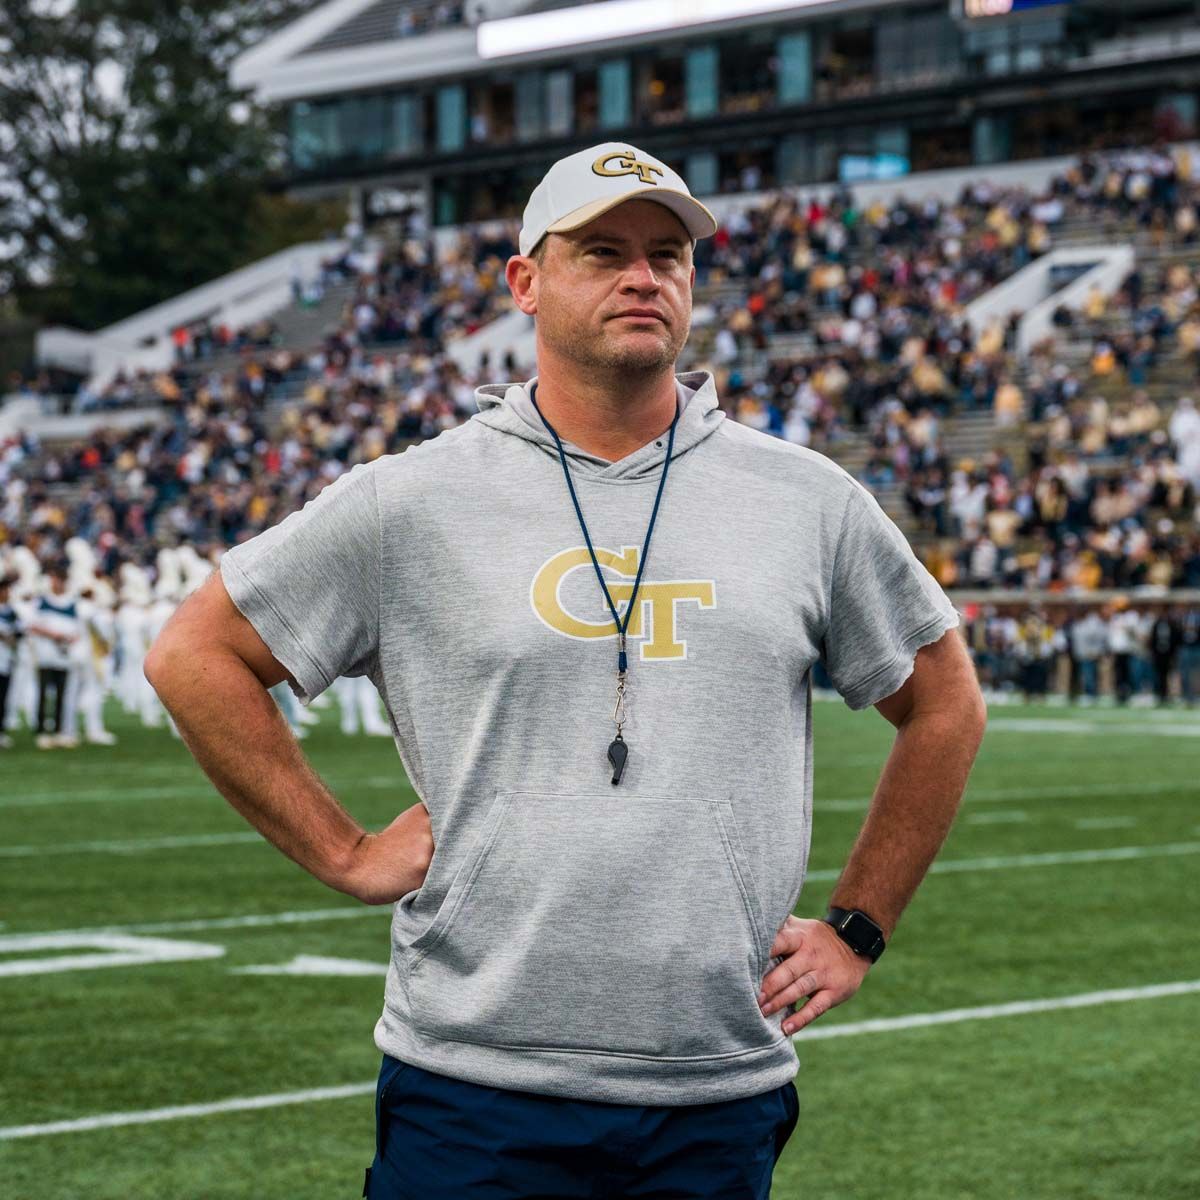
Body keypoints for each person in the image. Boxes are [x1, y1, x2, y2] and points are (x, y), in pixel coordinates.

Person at [145, 141, 987, 1199]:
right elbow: (195, 654)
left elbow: (945, 703)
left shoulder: (805, 499)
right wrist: (345, 853)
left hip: (715, 1087)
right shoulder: (414, 500)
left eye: (669, 254)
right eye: (603, 252)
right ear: (526, 283)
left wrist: (860, 924)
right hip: (474, 1083)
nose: (645, 277)